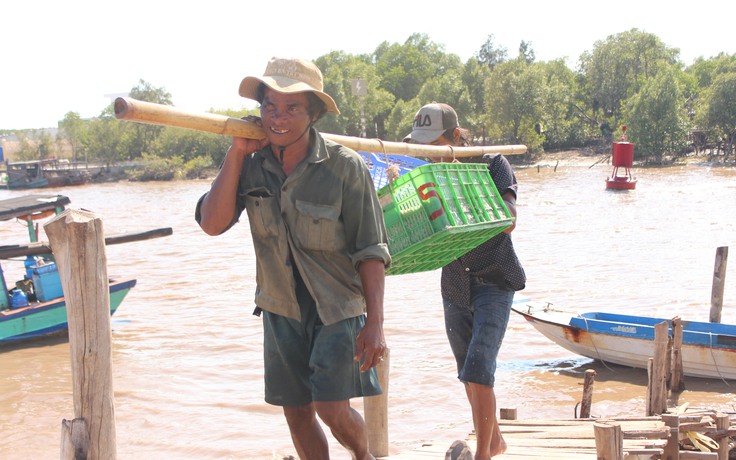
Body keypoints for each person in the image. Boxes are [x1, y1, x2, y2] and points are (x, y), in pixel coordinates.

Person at [196, 57, 391, 460]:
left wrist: (375, 324)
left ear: (313, 113)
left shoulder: (344, 168)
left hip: (336, 307)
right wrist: (236, 153)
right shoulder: (250, 167)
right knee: (297, 412)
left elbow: (371, 251)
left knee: (331, 408)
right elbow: (212, 224)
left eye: (292, 108)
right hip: (280, 306)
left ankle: (363, 456)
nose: (278, 118)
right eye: (269, 106)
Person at [404, 103, 526, 460]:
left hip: (493, 279)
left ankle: (484, 454)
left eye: (437, 145)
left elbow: (509, 219)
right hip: (455, 284)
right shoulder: (427, 178)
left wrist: (466, 200)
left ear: (456, 138)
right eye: (425, 148)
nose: (432, 155)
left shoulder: (491, 166)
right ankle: (496, 440)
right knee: (467, 373)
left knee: (478, 369)